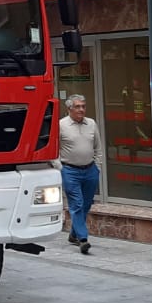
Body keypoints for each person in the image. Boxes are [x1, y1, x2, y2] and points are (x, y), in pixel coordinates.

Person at [58, 94, 102, 254]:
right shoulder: (61, 125)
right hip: (70, 170)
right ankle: (83, 239)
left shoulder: (91, 124)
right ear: (69, 108)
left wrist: (98, 166)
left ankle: (73, 234)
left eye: (83, 106)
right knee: (76, 204)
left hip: (90, 170)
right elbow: (54, 148)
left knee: (86, 204)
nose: (81, 109)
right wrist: (59, 166)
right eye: (77, 106)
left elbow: (98, 147)